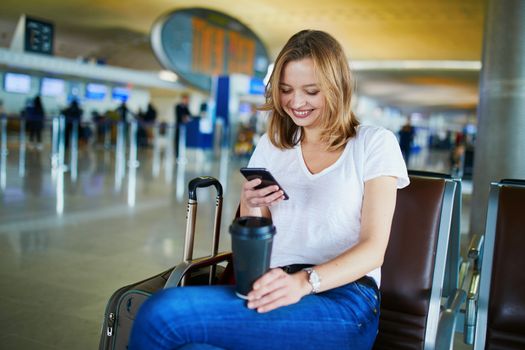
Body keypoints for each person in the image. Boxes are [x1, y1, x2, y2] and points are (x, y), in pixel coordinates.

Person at [129, 30, 409, 350]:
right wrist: (251, 204)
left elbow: (374, 248)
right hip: (274, 283)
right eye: (286, 90)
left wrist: (304, 283)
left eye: (311, 91)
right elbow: (255, 233)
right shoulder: (273, 146)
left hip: (345, 299)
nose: (296, 102)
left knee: (163, 313)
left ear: (337, 88)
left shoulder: (374, 143)